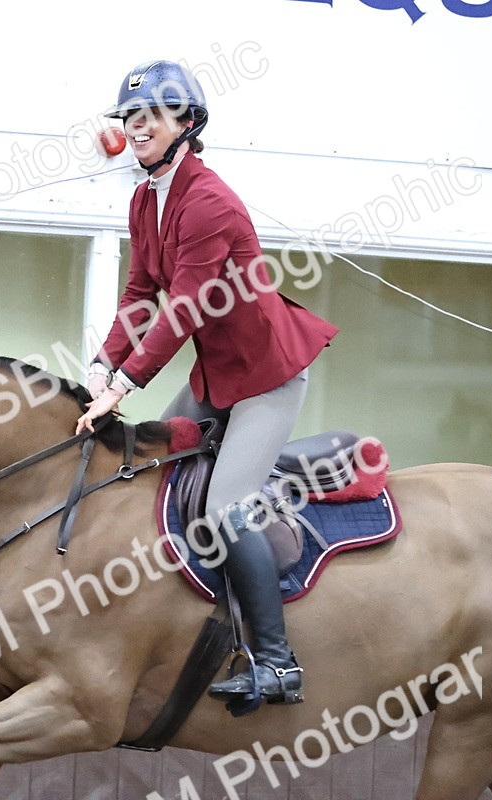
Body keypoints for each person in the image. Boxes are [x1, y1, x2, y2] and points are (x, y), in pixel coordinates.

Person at [76, 60, 338, 706]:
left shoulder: (210, 202)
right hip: (216, 376)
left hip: (265, 381)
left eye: (151, 117)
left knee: (225, 508)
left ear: (187, 124)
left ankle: (278, 664)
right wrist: (102, 365)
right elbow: (141, 294)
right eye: (129, 117)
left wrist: (125, 385)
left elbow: (183, 308)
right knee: (142, 465)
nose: (136, 127)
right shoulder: (145, 198)